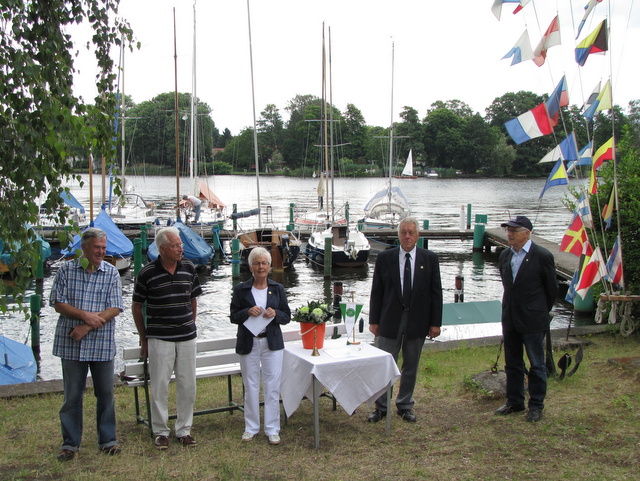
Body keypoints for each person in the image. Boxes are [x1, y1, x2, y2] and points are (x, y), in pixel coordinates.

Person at [50, 228, 123, 461]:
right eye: (97, 247)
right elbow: (57, 302)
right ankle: (70, 444)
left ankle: (108, 440)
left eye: (104, 247)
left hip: (101, 343)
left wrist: (88, 325)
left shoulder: (111, 273)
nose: (101, 252)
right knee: (72, 395)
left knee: (105, 393)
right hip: (71, 342)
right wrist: (85, 316)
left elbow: (115, 308)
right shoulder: (66, 270)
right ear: (84, 247)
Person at [132, 226, 203, 449]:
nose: (181, 248)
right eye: (176, 245)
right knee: (159, 387)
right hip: (159, 338)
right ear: (162, 249)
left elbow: (193, 298)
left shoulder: (189, 267)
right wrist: (144, 339)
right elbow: (137, 306)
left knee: (187, 385)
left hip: (186, 337)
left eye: (181, 244)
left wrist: (190, 322)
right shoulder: (147, 273)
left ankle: (184, 430)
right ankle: (160, 431)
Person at [367, 217, 443, 423]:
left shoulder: (429, 259)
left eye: (411, 232)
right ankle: (381, 407)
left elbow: (436, 293)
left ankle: (405, 404)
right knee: (385, 363)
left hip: (417, 321)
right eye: (403, 232)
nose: (407, 236)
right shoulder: (385, 258)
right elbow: (377, 292)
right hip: (389, 319)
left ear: (418, 235)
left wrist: (435, 323)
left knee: (411, 364)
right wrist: (374, 321)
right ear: (398, 235)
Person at [495, 215, 558, 422]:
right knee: (512, 362)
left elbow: (551, 290)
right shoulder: (505, 255)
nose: (509, 234)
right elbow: (508, 286)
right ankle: (515, 400)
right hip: (510, 317)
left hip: (533, 319)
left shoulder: (542, 256)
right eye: (508, 230)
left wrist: (538, 310)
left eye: (514, 230)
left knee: (536, 364)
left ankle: (536, 405)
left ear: (527, 233)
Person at [230, 247, 291, 445]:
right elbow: (233, 316)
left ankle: (272, 429)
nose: (261, 266)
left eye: (264, 263)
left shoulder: (278, 288)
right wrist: (247, 311)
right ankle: (251, 427)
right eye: (257, 263)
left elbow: (286, 316)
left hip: (271, 342)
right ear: (250, 267)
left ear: (270, 266)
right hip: (249, 342)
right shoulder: (241, 289)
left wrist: (276, 314)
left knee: (272, 386)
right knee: (251, 385)